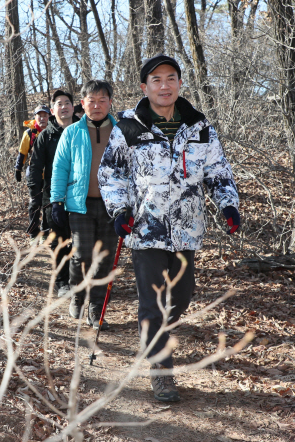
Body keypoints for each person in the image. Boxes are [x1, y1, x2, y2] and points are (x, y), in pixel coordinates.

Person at [98, 54, 240, 402]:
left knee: (181, 294)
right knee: (152, 302)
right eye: (156, 80)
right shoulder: (128, 128)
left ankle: (155, 337)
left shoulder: (200, 127)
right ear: (144, 87)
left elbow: (218, 171)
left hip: (187, 229)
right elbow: (111, 174)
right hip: (145, 230)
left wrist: (229, 204)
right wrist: (119, 211)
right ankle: (161, 371)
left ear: (179, 83)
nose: (164, 85)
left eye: (171, 78)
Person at [50, 80, 120, 330]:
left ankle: (96, 310)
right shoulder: (72, 132)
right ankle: (78, 296)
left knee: (104, 260)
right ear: (83, 103)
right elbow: (60, 168)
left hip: (114, 207)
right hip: (80, 205)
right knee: (81, 256)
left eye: (103, 100)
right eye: (92, 101)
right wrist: (56, 200)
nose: (97, 105)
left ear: (110, 102)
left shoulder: (122, 131)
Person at [28, 90, 78, 297]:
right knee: (59, 241)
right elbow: (35, 166)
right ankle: (62, 282)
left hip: (81, 195)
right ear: (52, 109)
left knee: (81, 240)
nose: (64, 106)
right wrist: (36, 194)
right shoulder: (45, 136)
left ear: (74, 107)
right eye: (59, 103)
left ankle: (81, 280)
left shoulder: (82, 131)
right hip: (53, 197)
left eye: (67, 102)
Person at [15, 104, 50, 240]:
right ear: (35, 117)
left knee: (48, 204)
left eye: (45, 115)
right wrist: (18, 169)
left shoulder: (54, 130)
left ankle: (45, 232)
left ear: (49, 116)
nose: (42, 118)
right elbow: (22, 153)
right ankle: (33, 234)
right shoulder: (29, 133)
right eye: (39, 115)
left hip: (51, 173)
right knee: (35, 204)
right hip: (34, 174)